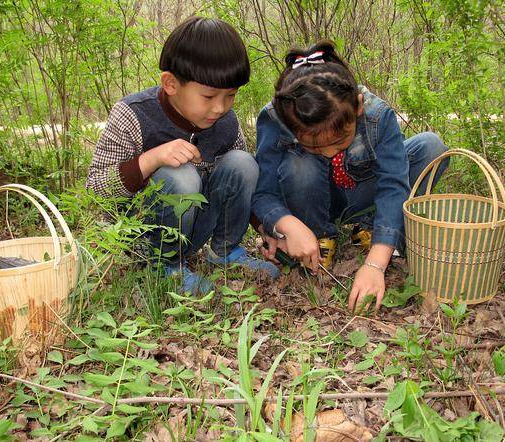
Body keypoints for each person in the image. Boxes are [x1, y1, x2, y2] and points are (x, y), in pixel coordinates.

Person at [252, 40, 448, 313]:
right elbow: (262, 191)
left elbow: (393, 185)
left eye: (341, 139)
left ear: (357, 106)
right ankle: (318, 237)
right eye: (314, 145)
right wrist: (286, 224)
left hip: (360, 194)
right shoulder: (276, 117)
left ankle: (369, 228)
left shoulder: (377, 114)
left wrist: (375, 263)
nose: (331, 152)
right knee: (300, 164)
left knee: (431, 147)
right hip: (310, 197)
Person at [87, 16, 279, 295]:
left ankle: (224, 251)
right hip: (143, 238)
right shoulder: (133, 114)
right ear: (171, 84)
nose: (220, 107)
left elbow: (240, 183)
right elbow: (96, 191)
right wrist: (150, 159)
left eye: (231, 95)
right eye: (209, 96)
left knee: (243, 162)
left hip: (195, 230)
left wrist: (262, 227)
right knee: (180, 175)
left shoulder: (226, 122)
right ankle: (165, 267)